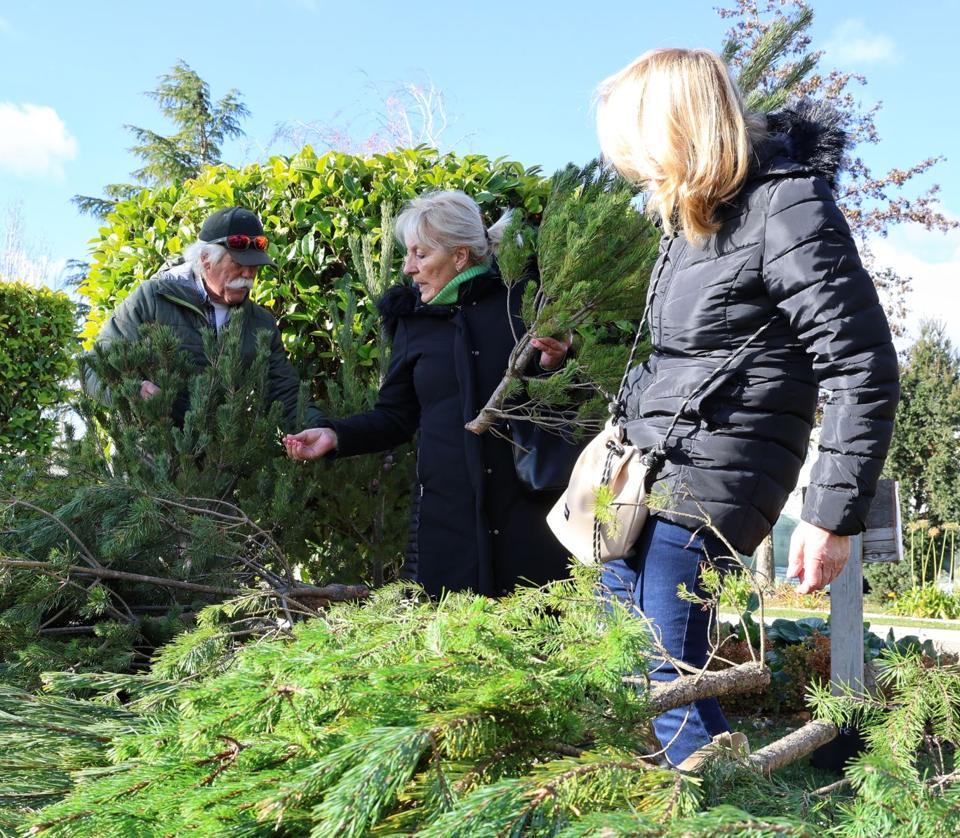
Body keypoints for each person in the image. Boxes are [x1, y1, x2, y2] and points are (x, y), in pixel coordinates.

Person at [594, 48, 899, 768]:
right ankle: (688, 796)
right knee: (630, 655)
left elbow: (862, 364)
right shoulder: (690, 221)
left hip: (721, 474)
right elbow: (684, 357)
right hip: (655, 468)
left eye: (635, 144)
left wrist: (829, 514)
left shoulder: (785, 205)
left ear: (674, 128)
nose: (630, 166)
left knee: (664, 662)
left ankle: (709, 815)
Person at [283, 190, 574, 598]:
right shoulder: (412, 323)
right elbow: (396, 416)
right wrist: (336, 435)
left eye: (420, 254)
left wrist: (555, 364)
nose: (408, 268)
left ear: (459, 255)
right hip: (446, 524)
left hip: (527, 518)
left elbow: (570, 407)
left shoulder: (522, 302)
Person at [81, 206, 325, 428]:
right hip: (152, 461)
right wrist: (132, 391)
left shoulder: (261, 323)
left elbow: (285, 394)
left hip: (223, 467)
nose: (248, 274)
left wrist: (319, 429)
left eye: (255, 265)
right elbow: (92, 369)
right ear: (206, 260)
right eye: (239, 263)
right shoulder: (151, 299)